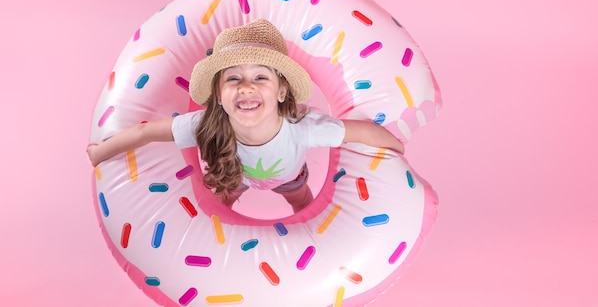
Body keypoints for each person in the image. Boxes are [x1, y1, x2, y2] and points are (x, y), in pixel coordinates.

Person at [87, 19, 404, 213]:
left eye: (261, 78)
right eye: (233, 79)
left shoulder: (304, 126)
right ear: (219, 95)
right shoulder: (203, 125)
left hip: (290, 177)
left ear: (281, 93)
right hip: (232, 176)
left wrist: (398, 151)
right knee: (220, 207)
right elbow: (146, 133)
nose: (247, 87)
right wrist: (101, 152)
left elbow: (361, 132)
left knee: (303, 203)